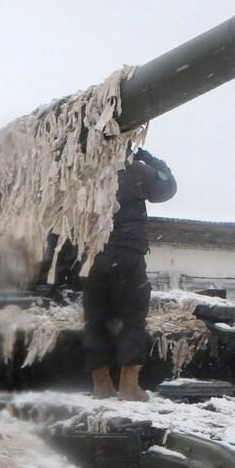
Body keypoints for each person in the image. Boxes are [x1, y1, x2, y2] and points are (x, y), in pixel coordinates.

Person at [83, 148, 177, 401]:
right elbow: (167, 188)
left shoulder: (87, 174)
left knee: (95, 321)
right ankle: (129, 385)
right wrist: (150, 158)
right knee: (132, 319)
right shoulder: (135, 170)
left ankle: (101, 384)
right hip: (127, 255)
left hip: (94, 257)